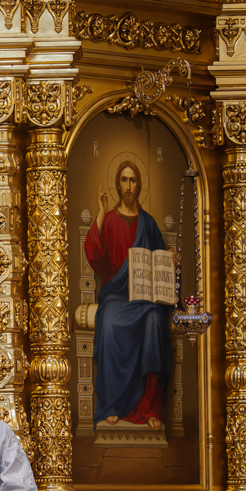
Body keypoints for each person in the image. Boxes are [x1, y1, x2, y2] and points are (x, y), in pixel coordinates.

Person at [85, 161, 174, 430]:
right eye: (123, 180)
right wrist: (100, 213)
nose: (128, 186)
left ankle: (150, 408)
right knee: (109, 324)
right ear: (117, 184)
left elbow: (160, 258)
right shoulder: (110, 220)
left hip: (145, 298)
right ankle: (113, 404)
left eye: (133, 180)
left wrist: (169, 260)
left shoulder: (148, 224)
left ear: (139, 185)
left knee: (155, 322)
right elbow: (96, 259)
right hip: (116, 295)